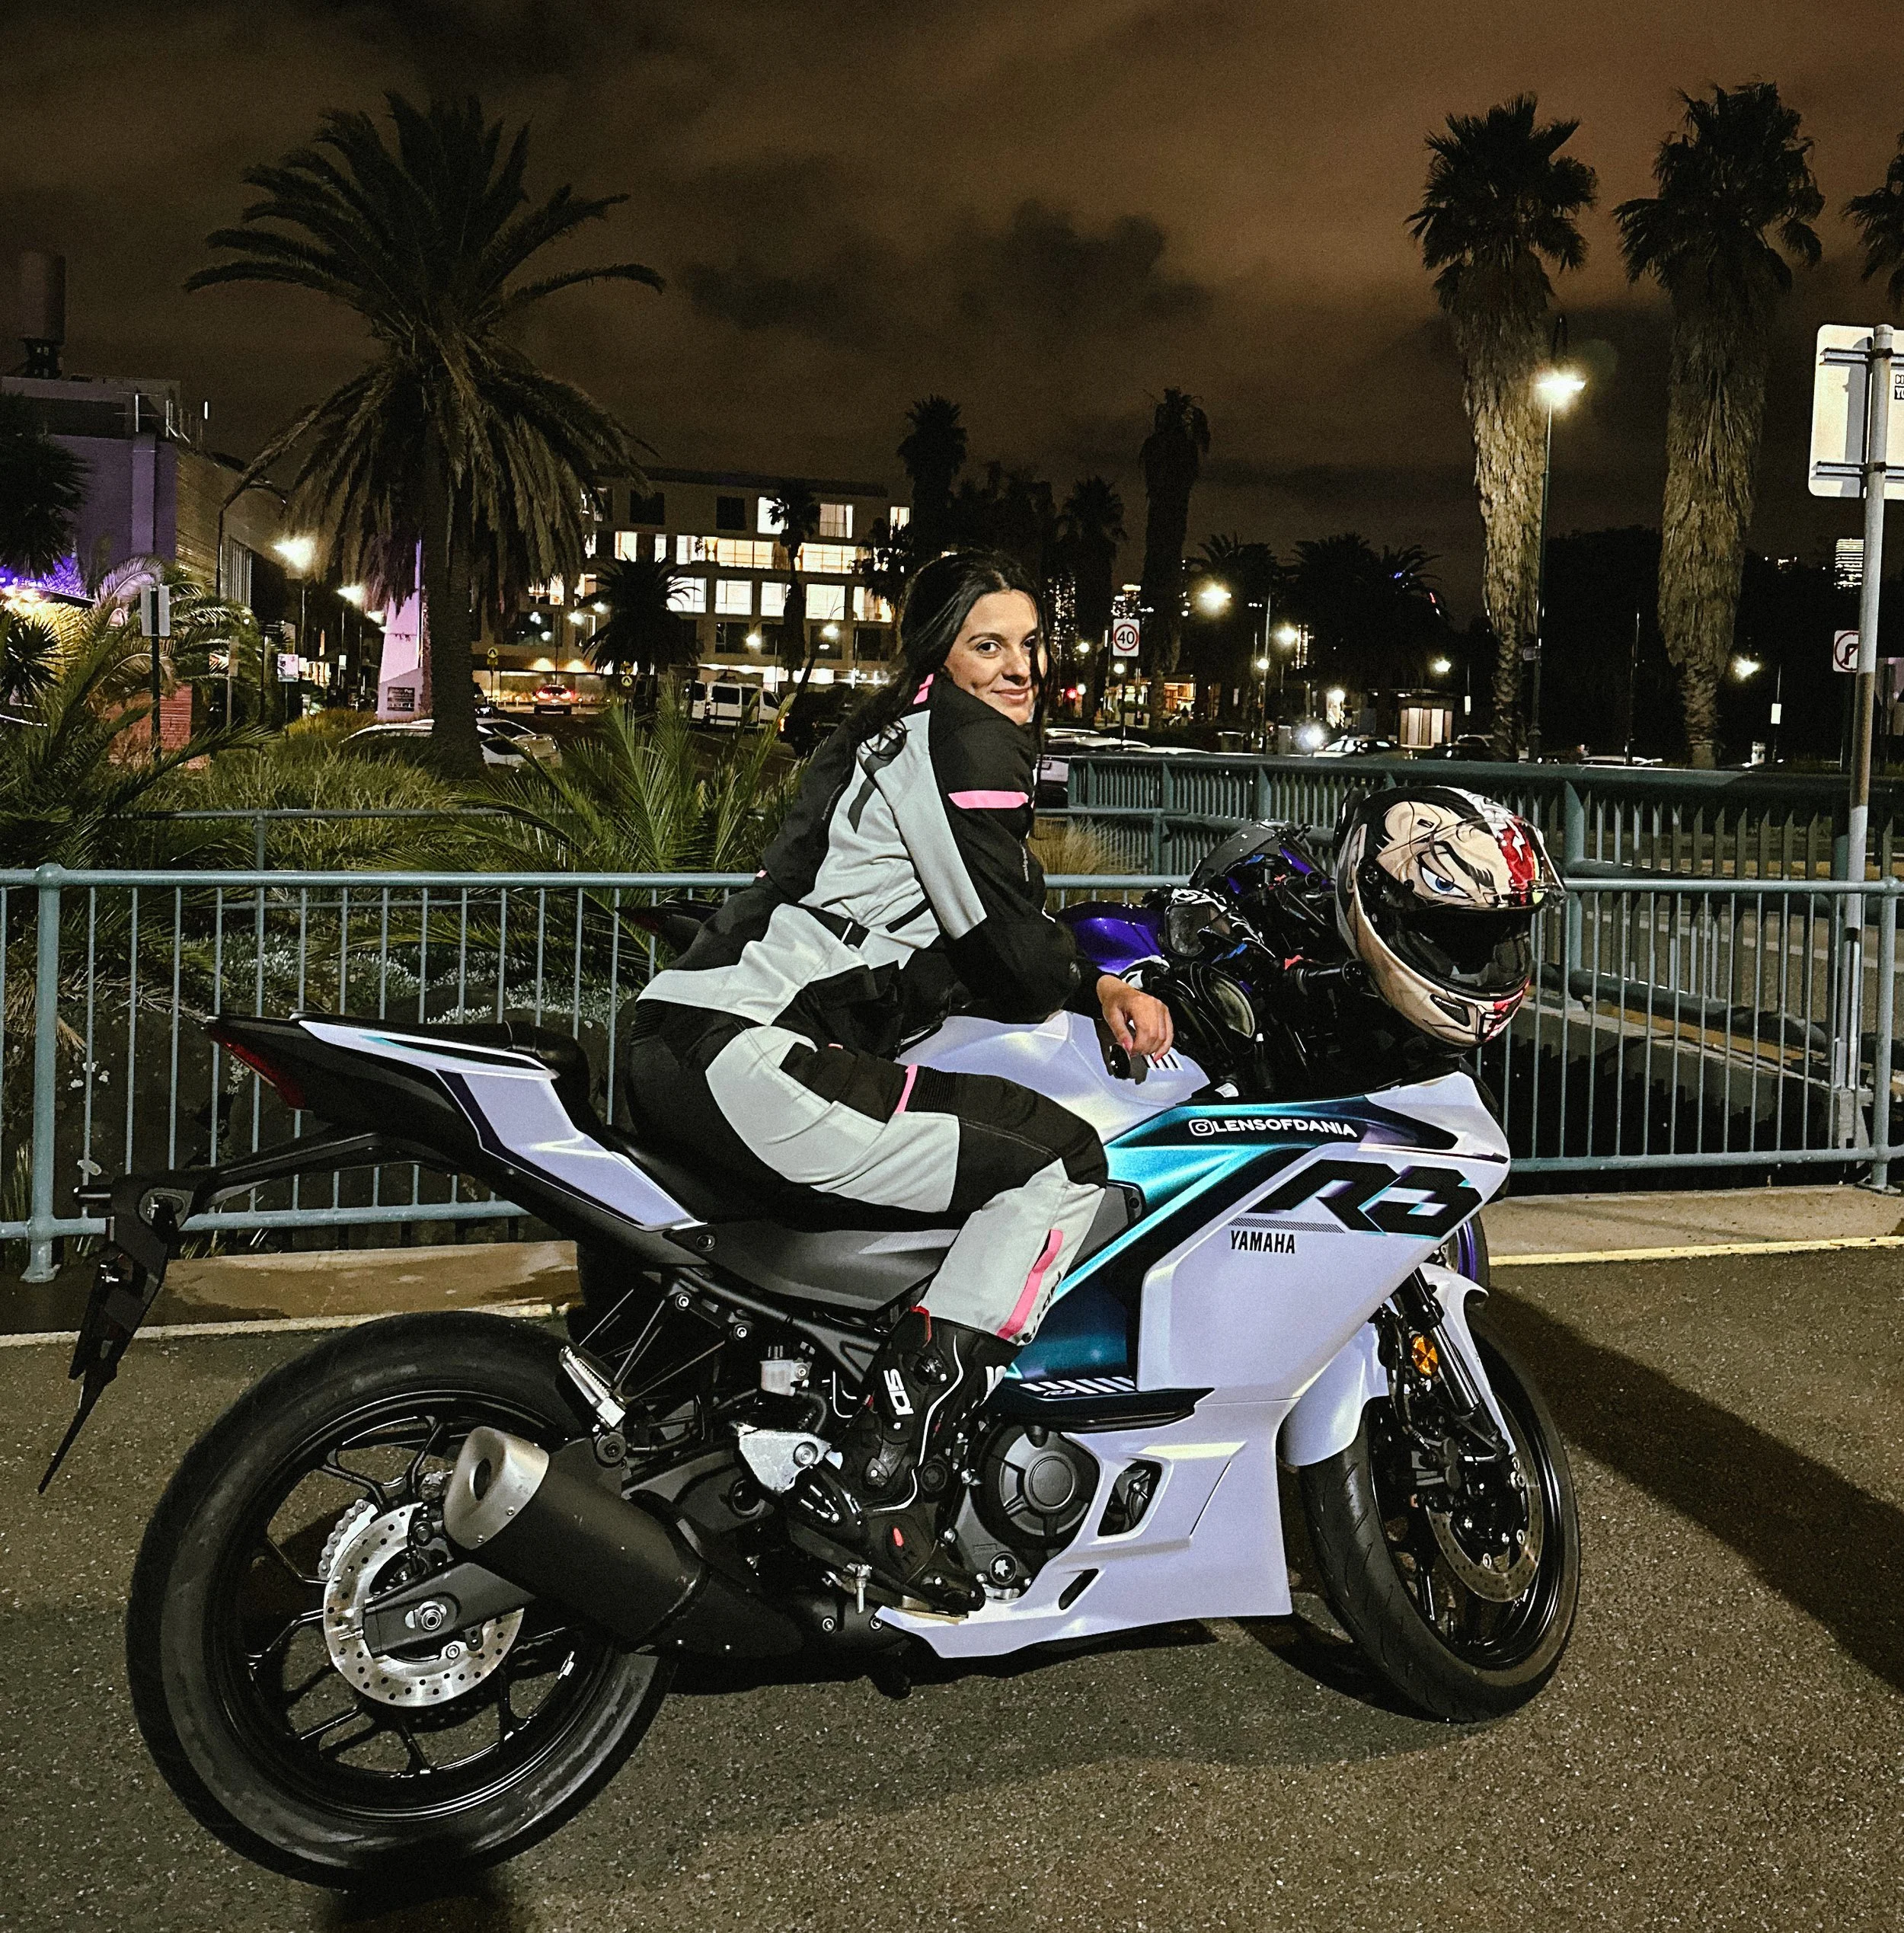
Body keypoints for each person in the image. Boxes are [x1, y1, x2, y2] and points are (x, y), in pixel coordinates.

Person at [622, 551, 1172, 1609]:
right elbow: (1008, 945)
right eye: (989, 644)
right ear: (942, 655)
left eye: (1029, 644)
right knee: (1059, 1159)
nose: (1020, 668)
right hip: (752, 1054)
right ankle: (888, 1468)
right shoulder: (961, 733)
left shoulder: (888, 731)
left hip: (680, 1036)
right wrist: (1099, 982)